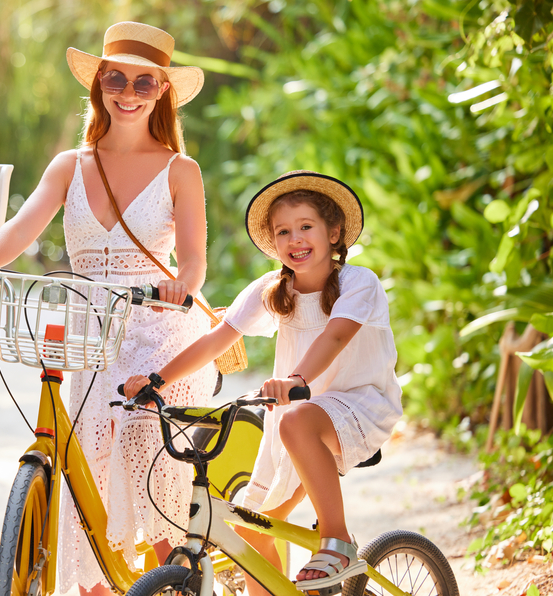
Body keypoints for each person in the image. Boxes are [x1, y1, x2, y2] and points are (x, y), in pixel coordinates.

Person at [0, 21, 215, 594]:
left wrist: (180, 288)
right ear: (99, 85)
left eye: (145, 82)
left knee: (148, 460)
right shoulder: (71, 164)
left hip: (160, 329)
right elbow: (21, 227)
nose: (129, 92)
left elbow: (193, 263)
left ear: (162, 90)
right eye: (116, 77)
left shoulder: (179, 170)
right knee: (86, 467)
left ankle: (176, 582)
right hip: (91, 330)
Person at [125, 170, 403, 594]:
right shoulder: (273, 290)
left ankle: (337, 540)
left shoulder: (357, 283)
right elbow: (217, 339)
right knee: (249, 528)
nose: (295, 239)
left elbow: (336, 335)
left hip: (358, 404)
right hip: (298, 418)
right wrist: (157, 382)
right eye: (283, 232)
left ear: (334, 231)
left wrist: (295, 379)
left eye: (306, 226)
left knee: (295, 422)